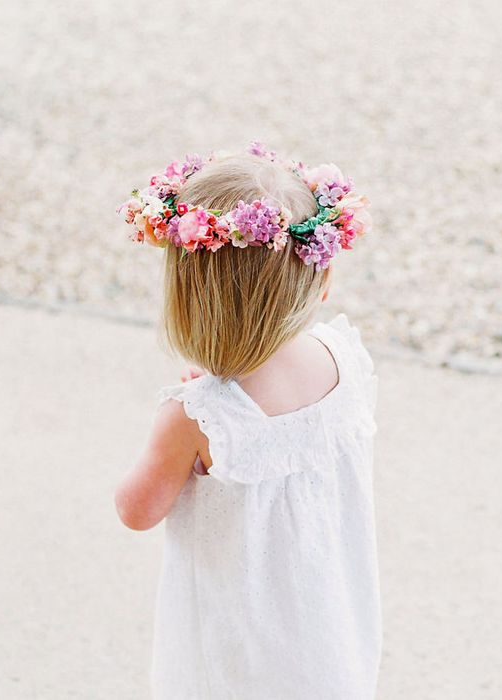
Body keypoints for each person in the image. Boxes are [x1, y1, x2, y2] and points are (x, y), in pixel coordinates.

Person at [113, 142, 382, 699]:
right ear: (320, 281)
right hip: (328, 620)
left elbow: (137, 510)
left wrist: (191, 417)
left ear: (186, 296)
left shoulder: (198, 416)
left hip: (242, 644)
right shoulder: (344, 359)